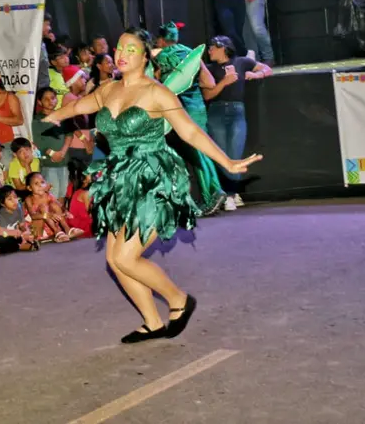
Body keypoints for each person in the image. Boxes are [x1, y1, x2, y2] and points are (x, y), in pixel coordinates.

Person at [42, 28, 262, 344]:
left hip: (153, 179)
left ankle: (179, 300)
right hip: (119, 180)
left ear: (145, 57)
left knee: (126, 258)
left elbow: (190, 133)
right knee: (114, 260)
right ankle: (152, 322)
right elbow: (77, 108)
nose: (122, 53)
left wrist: (228, 162)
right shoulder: (108, 90)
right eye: (119, 47)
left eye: (131, 49)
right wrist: (51, 116)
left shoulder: (157, 93)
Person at [153, 22, 226, 216]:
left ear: (161, 40)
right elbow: (209, 83)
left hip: (180, 109)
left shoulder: (159, 57)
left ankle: (213, 194)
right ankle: (213, 192)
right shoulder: (191, 54)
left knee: (195, 153)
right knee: (203, 149)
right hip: (198, 107)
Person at [203, 36, 272, 210]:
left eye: (212, 47)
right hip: (216, 112)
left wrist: (256, 74)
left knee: (235, 153)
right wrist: (224, 83)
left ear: (223, 48)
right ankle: (229, 195)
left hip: (236, 112)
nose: (209, 51)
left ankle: (231, 194)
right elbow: (208, 95)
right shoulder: (209, 69)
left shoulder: (241, 62)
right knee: (221, 156)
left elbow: (267, 68)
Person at [32, 88, 72, 200]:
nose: (51, 101)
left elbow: (69, 134)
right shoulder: (37, 120)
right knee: (51, 197)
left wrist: (63, 152)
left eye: (53, 98)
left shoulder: (62, 115)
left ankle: (62, 217)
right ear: (40, 102)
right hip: (48, 163)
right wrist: (53, 153)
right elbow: (38, 142)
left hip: (63, 161)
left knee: (63, 195)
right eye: (46, 99)